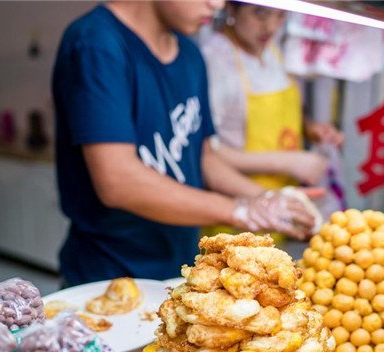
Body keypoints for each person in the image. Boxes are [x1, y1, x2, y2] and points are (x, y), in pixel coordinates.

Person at [53, 0, 320, 286]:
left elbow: (203, 158)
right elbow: (118, 181)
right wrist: (239, 210)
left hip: (176, 266)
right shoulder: (97, 45)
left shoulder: (190, 55)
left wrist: (267, 199)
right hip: (107, 275)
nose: (217, 4)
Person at [201, 2, 345, 193]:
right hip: (239, 198)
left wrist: (310, 128)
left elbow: (285, 111)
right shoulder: (213, 61)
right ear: (231, 9)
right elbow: (206, 152)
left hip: (287, 194)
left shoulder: (274, 48)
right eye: (261, 13)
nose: (271, 27)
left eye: (281, 15)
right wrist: (285, 162)